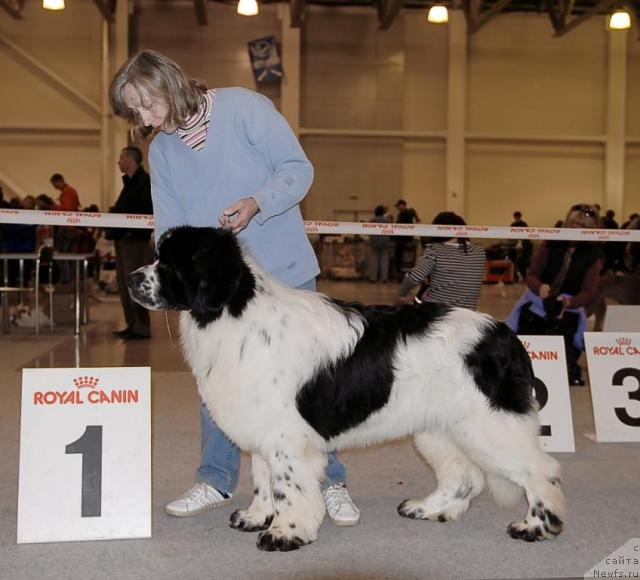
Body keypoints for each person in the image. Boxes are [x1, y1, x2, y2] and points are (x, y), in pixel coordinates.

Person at [110, 49, 360, 525]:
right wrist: (168, 271)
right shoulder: (162, 150)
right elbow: (169, 223)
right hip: (215, 287)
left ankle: (332, 481)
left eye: (144, 104)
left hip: (283, 268)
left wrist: (257, 202)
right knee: (217, 382)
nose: (142, 119)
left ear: (167, 82)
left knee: (310, 381)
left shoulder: (245, 108)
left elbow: (297, 169)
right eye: (134, 112)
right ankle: (215, 479)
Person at [506, 203, 603, 386]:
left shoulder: (593, 255)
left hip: (568, 308)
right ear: (568, 223)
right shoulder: (550, 242)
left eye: (583, 227)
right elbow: (532, 275)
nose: (577, 229)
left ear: (590, 230)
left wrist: (569, 302)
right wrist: (540, 286)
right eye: (574, 224)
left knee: (564, 360)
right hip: (536, 303)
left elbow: (589, 292)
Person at [107, 147, 154, 340]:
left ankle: (142, 326)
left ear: (130, 159)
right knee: (123, 284)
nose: (118, 161)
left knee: (135, 283)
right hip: (123, 239)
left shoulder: (144, 182)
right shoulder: (130, 183)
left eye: (121, 157)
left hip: (135, 241)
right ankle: (132, 324)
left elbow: (143, 209)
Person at [398, 211, 486, 310]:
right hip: (469, 313)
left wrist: (402, 294)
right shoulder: (479, 250)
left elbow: (414, 278)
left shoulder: (434, 249)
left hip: (438, 314)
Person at [50, 173, 81, 283]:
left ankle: (66, 280)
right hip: (73, 227)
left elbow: (67, 210)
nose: (54, 187)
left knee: (63, 256)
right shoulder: (71, 191)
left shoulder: (67, 192)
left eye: (54, 184)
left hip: (67, 227)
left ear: (59, 181)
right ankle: (70, 280)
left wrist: (55, 207)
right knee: (69, 256)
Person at [392, 199, 420, 278]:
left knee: (398, 257)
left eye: (398, 206)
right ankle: (400, 272)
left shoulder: (405, 214)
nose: (397, 208)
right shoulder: (406, 213)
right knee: (403, 258)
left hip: (403, 240)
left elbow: (402, 226)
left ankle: (399, 272)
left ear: (403, 205)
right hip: (405, 239)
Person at [367, 204, 391, 283]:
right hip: (385, 241)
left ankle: (373, 278)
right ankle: (384, 278)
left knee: (374, 260)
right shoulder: (387, 220)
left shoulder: (372, 220)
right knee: (384, 260)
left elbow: (369, 231)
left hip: (374, 241)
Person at [510, 211, 533, 282]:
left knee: (522, 263)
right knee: (516, 263)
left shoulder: (523, 224)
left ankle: (523, 277)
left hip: (524, 246)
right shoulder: (514, 225)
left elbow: (526, 236)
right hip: (518, 245)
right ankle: (516, 277)